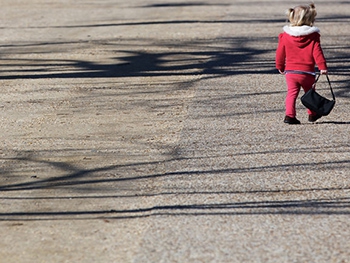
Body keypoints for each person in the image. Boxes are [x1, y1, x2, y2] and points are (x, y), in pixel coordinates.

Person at [276, 3, 328, 124]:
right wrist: (322, 66)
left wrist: (280, 65)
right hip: (307, 72)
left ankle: (289, 116)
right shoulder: (313, 36)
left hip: (291, 72)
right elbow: (317, 52)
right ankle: (312, 114)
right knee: (310, 93)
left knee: (291, 94)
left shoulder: (285, 35)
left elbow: (280, 53)